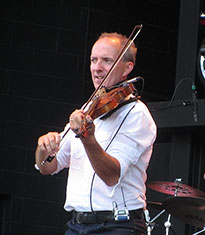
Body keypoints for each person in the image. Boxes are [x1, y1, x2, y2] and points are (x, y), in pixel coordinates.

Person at [35, 32, 157, 234]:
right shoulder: (88, 109)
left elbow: (111, 176)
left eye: (107, 60)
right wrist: (42, 147)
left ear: (128, 67)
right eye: (94, 60)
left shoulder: (137, 114)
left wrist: (87, 138)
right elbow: (47, 167)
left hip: (117, 225)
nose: (97, 68)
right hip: (77, 225)